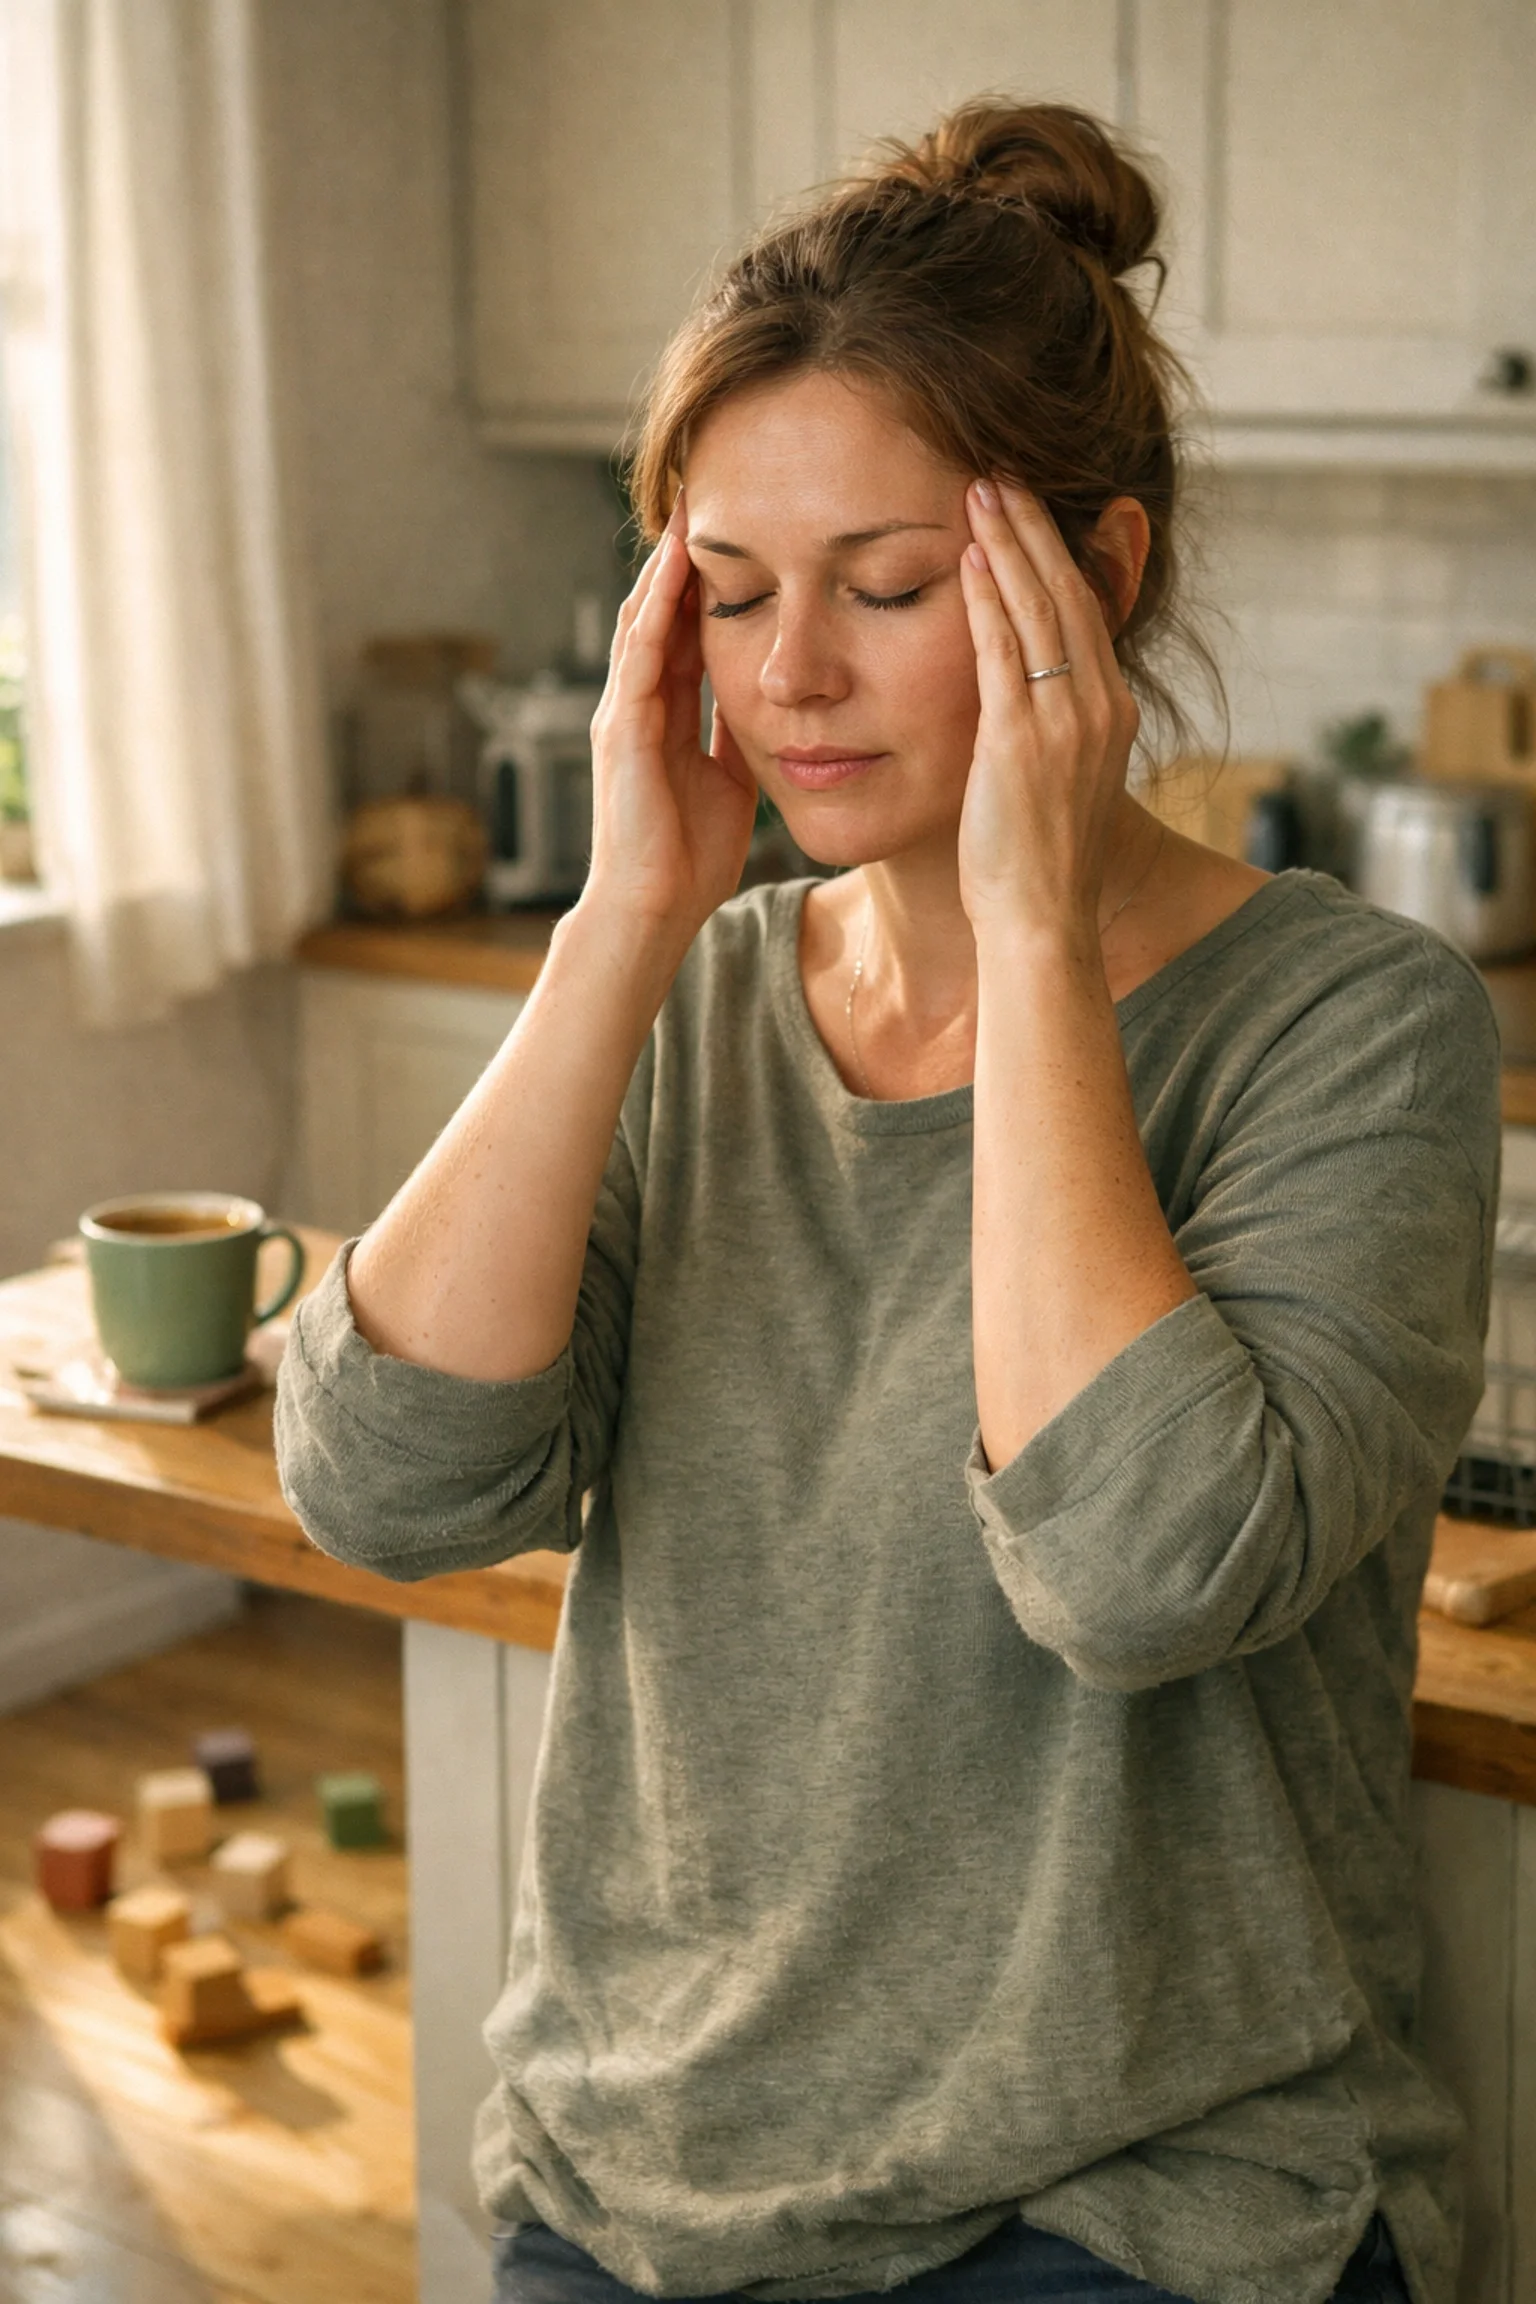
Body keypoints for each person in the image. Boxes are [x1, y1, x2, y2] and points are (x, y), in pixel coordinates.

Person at [275, 99, 1499, 2304]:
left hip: (1147, 2202)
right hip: (645, 2169)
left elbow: (1137, 1574)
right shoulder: (701, 994)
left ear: (1094, 583)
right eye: (732, 596)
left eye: (891, 588)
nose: (794, 676)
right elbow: (384, 1484)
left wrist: (1029, 937)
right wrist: (621, 923)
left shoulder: (1360, 1027)